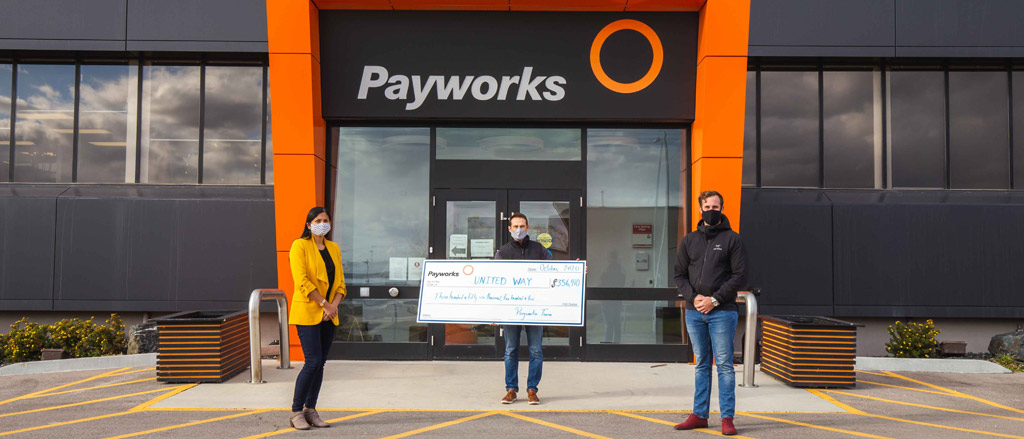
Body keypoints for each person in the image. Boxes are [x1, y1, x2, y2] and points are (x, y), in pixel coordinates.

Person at [672, 190, 747, 436]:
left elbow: (739, 276)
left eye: (716, 207)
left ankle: (727, 418)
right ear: (700, 209)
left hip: (722, 312)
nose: (711, 211)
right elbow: (679, 275)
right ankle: (699, 415)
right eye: (707, 206)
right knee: (701, 365)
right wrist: (694, 298)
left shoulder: (732, 239)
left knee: (724, 365)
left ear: (721, 209)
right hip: (694, 312)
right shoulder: (689, 240)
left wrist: (714, 300)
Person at [288, 207, 346, 430]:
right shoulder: (299, 246)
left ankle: (310, 410)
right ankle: (296, 412)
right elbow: (302, 281)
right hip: (309, 311)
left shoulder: (333, 248)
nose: (323, 223)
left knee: (320, 363)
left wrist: (333, 307)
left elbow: (340, 282)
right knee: (311, 361)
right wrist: (324, 304)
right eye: (318, 220)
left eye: (326, 220)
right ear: (309, 224)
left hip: (329, 314)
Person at [494, 212, 552, 405]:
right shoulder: (502, 252)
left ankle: (532, 390)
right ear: (509, 229)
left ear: (528, 228)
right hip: (511, 309)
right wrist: (493, 310)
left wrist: (577, 271)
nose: (519, 229)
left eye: (522, 226)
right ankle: (511, 389)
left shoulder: (540, 250)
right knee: (511, 350)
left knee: (536, 350)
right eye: (515, 226)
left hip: (535, 308)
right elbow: (494, 282)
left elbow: (556, 272)